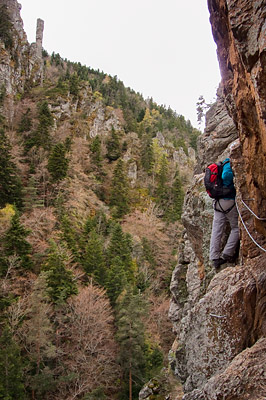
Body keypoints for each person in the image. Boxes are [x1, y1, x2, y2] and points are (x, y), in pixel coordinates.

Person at [210, 158, 240, 270]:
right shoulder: (228, 164)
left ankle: (214, 257)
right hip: (228, 202)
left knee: (217, 230)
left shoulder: (220, 165)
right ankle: (228, 252)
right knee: (236, 227)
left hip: (217, 202)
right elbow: (226, 176)